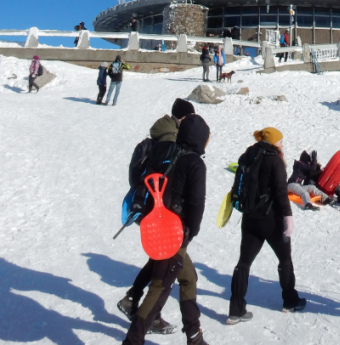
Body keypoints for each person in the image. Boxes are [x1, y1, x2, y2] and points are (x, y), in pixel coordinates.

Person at [122, 112, 211, 345]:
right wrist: (192, 231)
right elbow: (196, 203)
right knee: (160, 287)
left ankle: (194, 336)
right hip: (174, 232)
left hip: (156, 223)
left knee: (188, 277)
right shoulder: (195, 163)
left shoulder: (167, 151)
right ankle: (133, 340)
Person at [228, 127, 306, 323]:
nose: (282, 143)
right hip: (271, 220)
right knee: (285, 259)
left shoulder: (249, 155)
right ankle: (290, 302)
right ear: (273, 143)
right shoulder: (274, 160)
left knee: (243, 263)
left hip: (249, 218)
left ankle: (235, 310)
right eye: (280, 141)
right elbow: (280, 192)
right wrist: (288, 217)